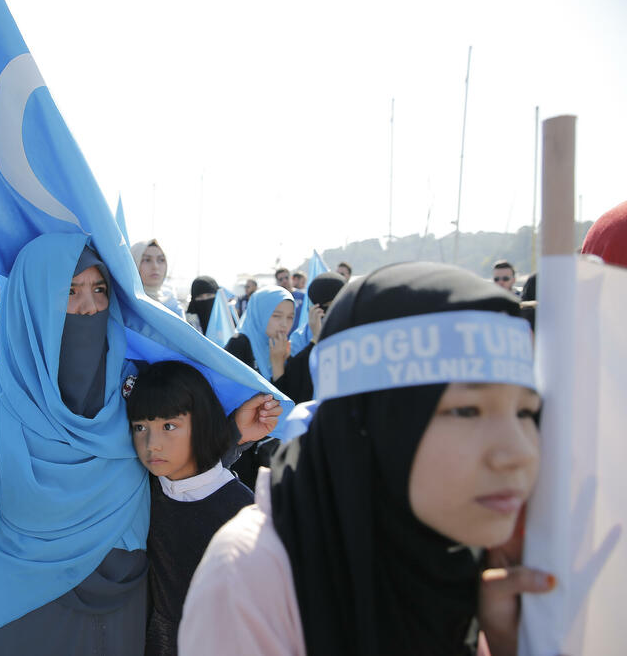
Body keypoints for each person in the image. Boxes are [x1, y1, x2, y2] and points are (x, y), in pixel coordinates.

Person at [0, 234, 279, 655]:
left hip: (121, 602)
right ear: (34, 299)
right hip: (25, 602)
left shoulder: (133, 382)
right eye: (69, 290)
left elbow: (178, 466)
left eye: (99, 289)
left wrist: (233, 433)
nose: (89, 307)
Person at [179, 262, 555, 656]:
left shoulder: (489, 573)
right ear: (372, 422)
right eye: (467, 412)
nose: (518, 453)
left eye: (525, 413)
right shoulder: (252, 580)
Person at [126, 361, 254, 656]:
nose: (152, 444)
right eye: (140, 427)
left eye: (169, 426)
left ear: (202, 423)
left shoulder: (242, 514)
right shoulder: (144, 487)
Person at [223, 285, 296, 487]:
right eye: (276, 316)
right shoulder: (240, 344)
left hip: (269, 452)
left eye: (290, 317)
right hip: (241, 452)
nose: (284, 324)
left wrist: (278, 364)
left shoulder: (279, 348)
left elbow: (285, 407)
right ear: (260, 313)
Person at [278, 271, 347, 404]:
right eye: (329, 307)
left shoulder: (356, 328)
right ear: (316, 308)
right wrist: (316, 339)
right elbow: (296, 383)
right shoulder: (300, 338)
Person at [130, 239, 185, 317]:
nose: (155, 266)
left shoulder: (173, 305)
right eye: (147, 260)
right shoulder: (125, 305)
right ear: (134, 263)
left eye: (161, 260)